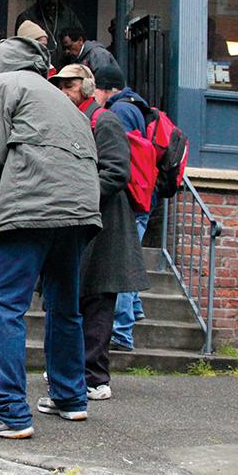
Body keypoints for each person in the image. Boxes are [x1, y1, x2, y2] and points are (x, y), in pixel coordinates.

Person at [0, 36, 101, 438]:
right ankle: (70, 397)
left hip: (31, 206)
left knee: (0, 302)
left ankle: (6, 411)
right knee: (64, 304)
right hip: (79, 209)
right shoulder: (58, 98)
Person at [50, 65, 149, 400]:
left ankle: (94, 377)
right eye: (60, 85)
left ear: (87, 87)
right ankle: (70, 370)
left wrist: (79, 197)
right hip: (78, 221)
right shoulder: (68, 120)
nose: (63, 90)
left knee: (98, 302)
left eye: (70, 84)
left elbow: (116, 172)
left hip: (105, 225)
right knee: (71, 298)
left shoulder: (103, 120)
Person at [92, 64, 151, 350]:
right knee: (129, 260)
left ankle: (122, 332)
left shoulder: (119, 112)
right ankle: (134, 311)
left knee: (121, 270)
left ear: (103, 89)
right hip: (139, 194)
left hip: (129, 197)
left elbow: (117, 160)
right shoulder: (134, 106)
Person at [14, 0, 81, 68]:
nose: (52, 3)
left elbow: (79, 39)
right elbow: (21, 48)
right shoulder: (27, 17)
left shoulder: (68, 15)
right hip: (38, 68)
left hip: (65, 68)